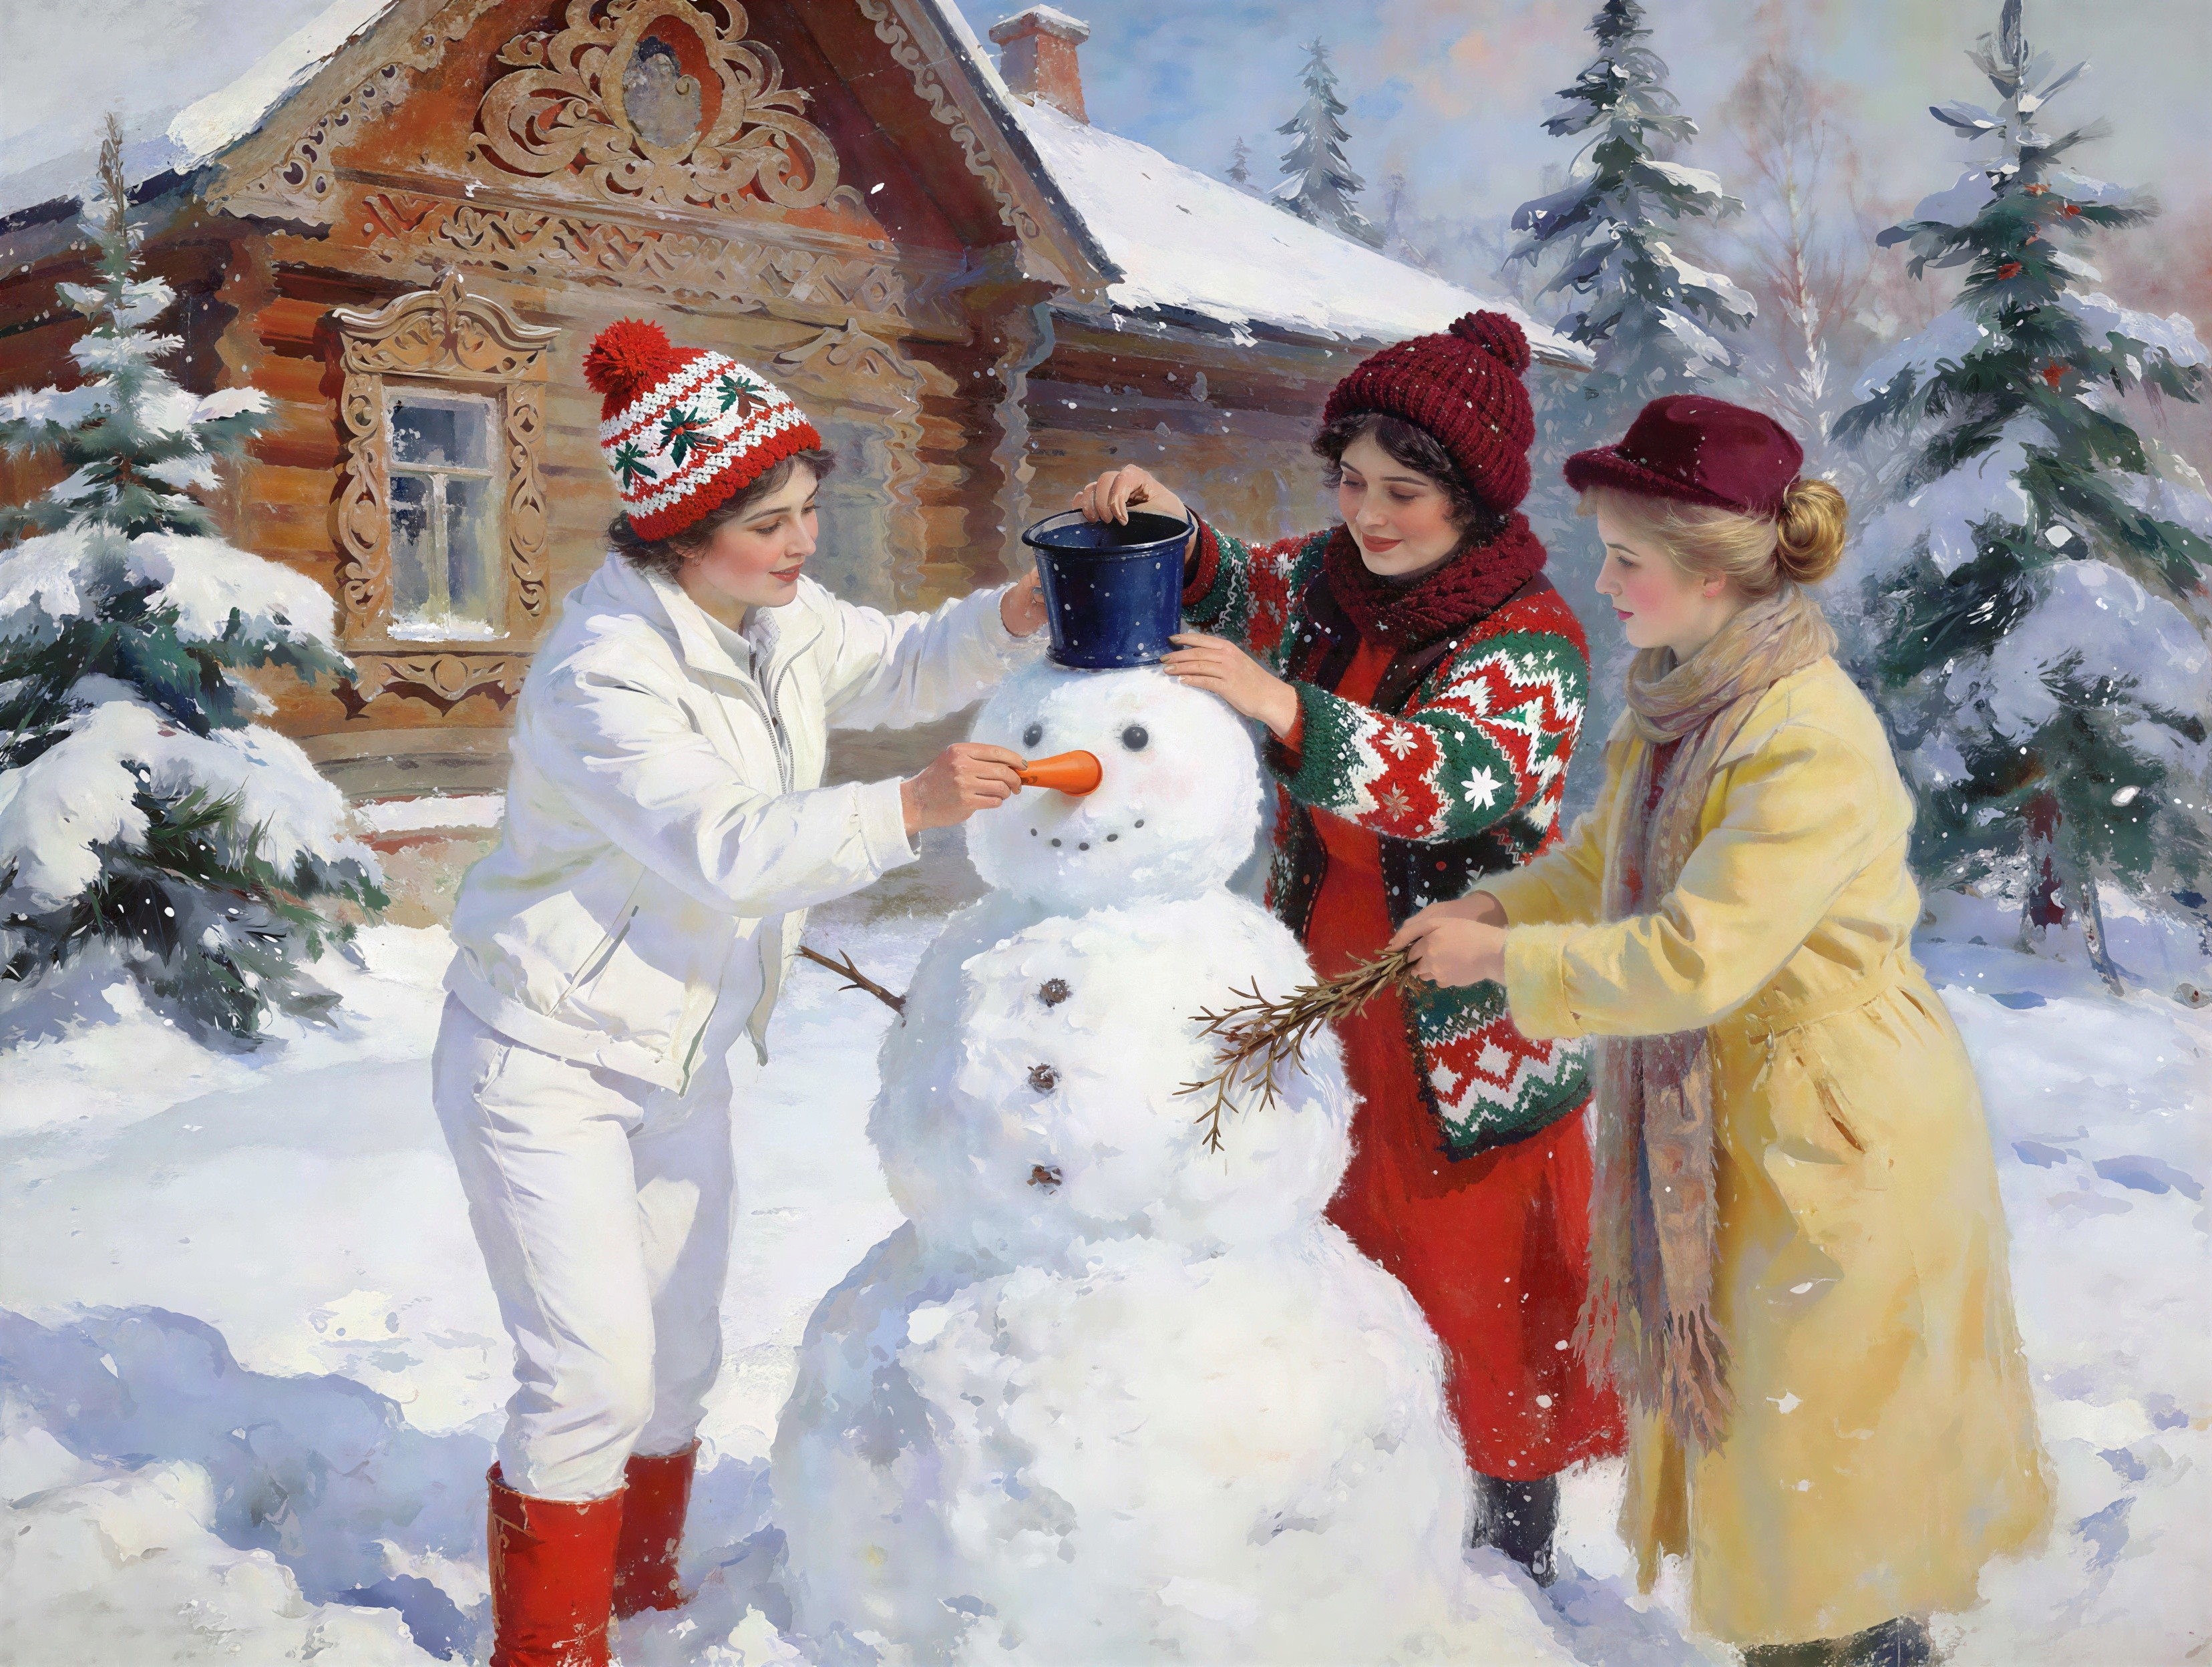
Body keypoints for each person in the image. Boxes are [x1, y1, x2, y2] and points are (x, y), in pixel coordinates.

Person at [1391, 395, 2053, 1664]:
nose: (1606, 582)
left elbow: (1696, 952)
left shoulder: (1805, 735)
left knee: (1825, 1466)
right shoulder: (1686, 704)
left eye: (1627, 559)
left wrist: (1505, 962)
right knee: (1776, 1457)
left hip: (1835, 1122)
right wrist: (1493, 904)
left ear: (1710, 573)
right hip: (1740, 1107)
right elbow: (1605, 868)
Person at [432, 319, 1045, 1667]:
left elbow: (893, 661)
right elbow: (725, 850)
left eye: (810, 511)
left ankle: (639, 1602)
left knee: (679, 1361)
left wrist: (1014, 613)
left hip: (679, 1056)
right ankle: (550, 1650)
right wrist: (908, 808)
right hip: (544, 1060)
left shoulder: (771, 618)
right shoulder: (605, 673)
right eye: (769, 521)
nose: (801, 544)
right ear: (678, 529)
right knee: (589, 1376)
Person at [1074, 311, 1624, 1586]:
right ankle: (1361, 1504)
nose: (1369, 515)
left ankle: (1505, 1538)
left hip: (1459, 1021)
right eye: (1353, 484)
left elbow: (1447, 781)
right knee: (1331, 1252)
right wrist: (1173, 524)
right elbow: (1246, 588)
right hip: (1321, 991)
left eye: (1404, 493)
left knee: (1467, 1279)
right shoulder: (1334, 580)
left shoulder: (1530, 638)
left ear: (1476, 501)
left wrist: (1275, 703)